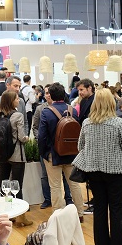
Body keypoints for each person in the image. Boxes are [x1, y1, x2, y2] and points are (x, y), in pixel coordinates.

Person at [73, 88, 122, 245]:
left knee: (99, 210)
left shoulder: (87, 123)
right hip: (115, 173)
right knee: (115, 211)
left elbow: (80, 147)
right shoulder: (118, 123)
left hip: (93, 171)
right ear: (111, 103)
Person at [38, 82, 85, 219]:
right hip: (71, 153)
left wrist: (44, 153)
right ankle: (80, 213)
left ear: (51, 95)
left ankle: (58, 215)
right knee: (74, 184)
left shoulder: (46, 112)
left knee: (55, 186)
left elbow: (42, 136)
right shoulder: (73, 110)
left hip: (53, 154)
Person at [0, 90, 33, 226]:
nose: (19, 100)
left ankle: (6, 215)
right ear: (12, 101)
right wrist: (28, 138)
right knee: (17, 186)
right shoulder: (18, 115)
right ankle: (21, 218)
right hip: (17, 154)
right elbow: (22, 137)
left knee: (3, 185)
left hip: (2, 155)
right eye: (17, 98)